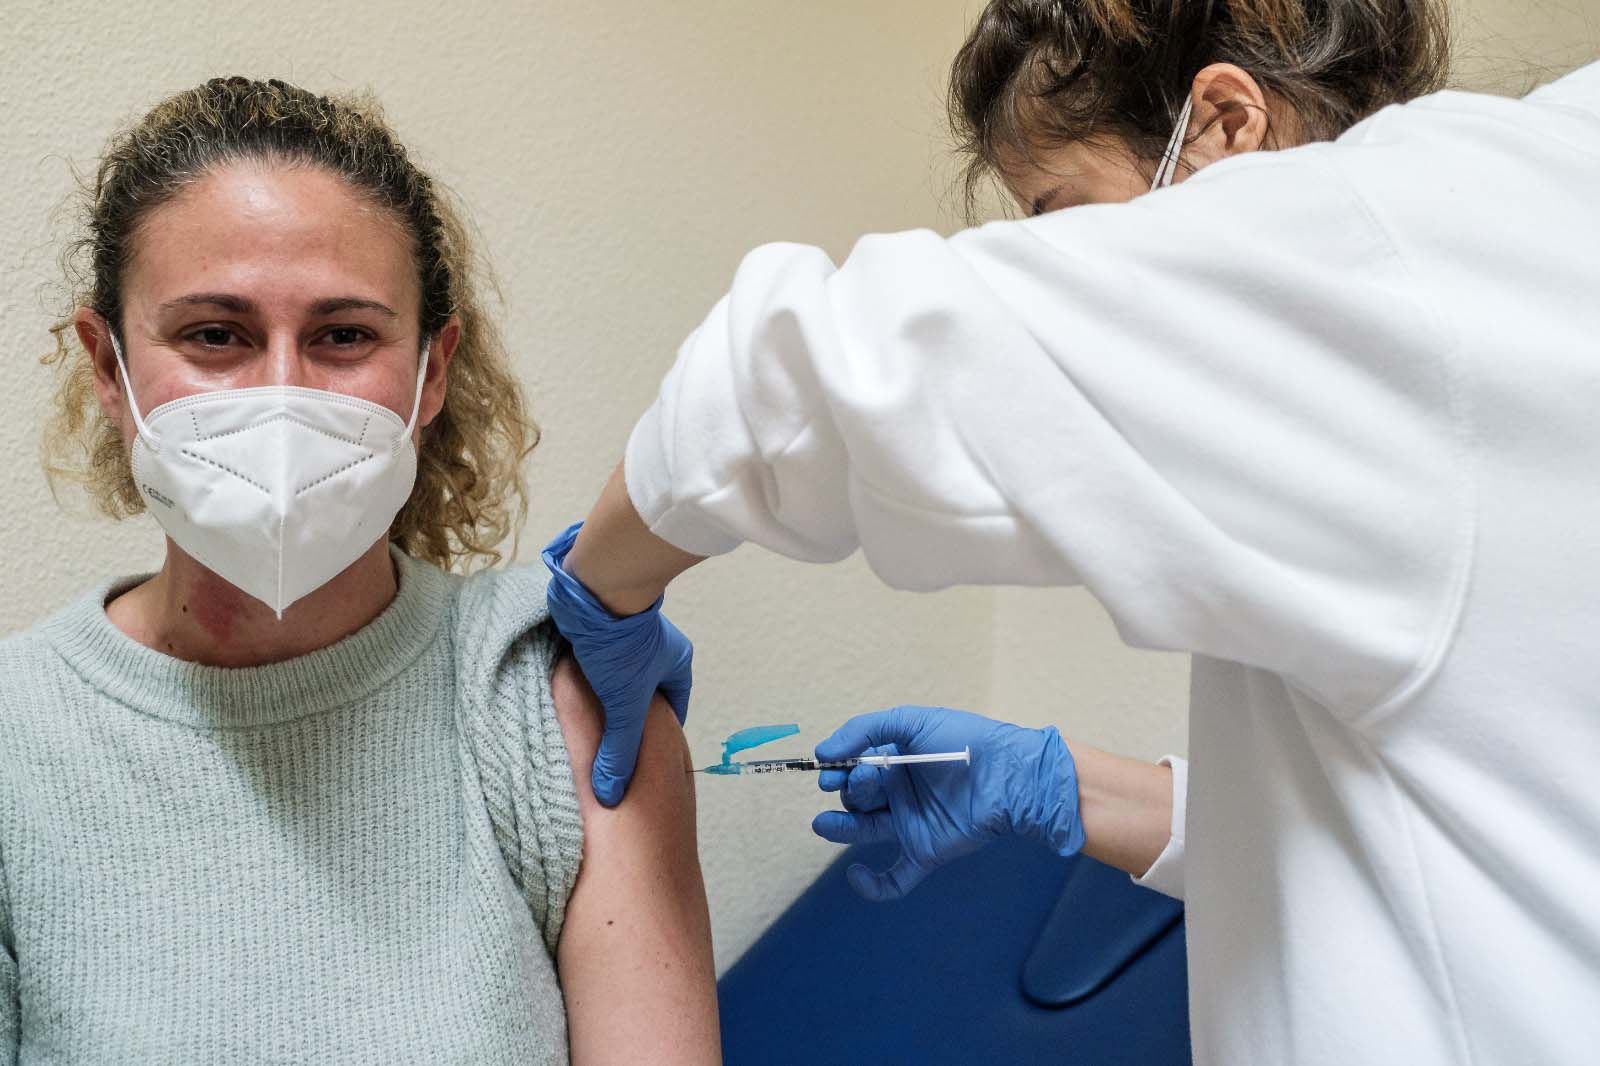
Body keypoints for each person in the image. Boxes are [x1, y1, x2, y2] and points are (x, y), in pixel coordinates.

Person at [542, 2, 1600, 1064]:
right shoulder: (1532, 218)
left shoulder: (1366, 257)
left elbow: (780, 391)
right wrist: (1065, 784)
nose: (1062, 270)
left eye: (1061, 217)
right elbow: (1471, 805)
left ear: (1228, 126)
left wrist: (597, 594)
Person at [0, 77, 719, 1065]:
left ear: (430, 371)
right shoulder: (16, 735)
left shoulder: (550, 698)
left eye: (344, 336)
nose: (283, 395)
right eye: (217, 335)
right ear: (106, 364)